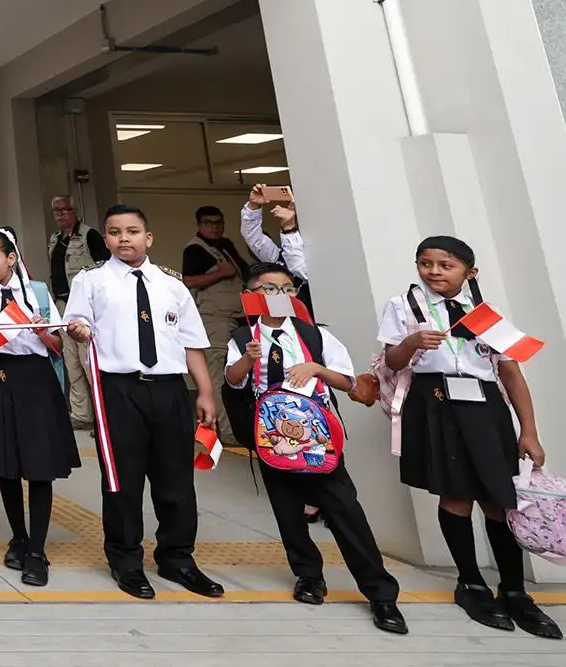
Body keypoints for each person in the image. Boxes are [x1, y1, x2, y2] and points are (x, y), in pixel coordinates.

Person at [377, 236, 558, 638]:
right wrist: (411, 343)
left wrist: (529, 430)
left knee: (499, 497)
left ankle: (514, 590)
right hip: (436, 402)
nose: (434, 272)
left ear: (469, 272)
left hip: (485, 405)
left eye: (446, 265)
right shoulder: (404, 305)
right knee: (456, 493)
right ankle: (471, 583)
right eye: (425, 263)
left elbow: (510, 371)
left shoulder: (485, 313)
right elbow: (392, 360)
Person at [223, 262, 405, 633]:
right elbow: (232, 379)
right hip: (272, 436)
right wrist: (248, 358)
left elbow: (349, 382)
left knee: (344, 508)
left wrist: (316, 369)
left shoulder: (315, 334)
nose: (280, 295)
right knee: (287, 510)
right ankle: (308, 575)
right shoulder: (243, 338)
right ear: (250, 295)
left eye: (287, 288)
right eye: (269, 288)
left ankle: (380, 592)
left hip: (317, 436)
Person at [64, 204, 223, 601]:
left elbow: (192, 343)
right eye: (114, 232)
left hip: (169, 390)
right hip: (119, 391)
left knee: (176, 479)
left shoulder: (171, 284)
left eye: (132, 231)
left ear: (148, 238)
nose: (124, 238)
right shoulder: (91, 281)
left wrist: (205, 392)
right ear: (105, 239)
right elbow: (76, 321)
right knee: (123, 479)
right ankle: (126, 560)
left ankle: (177, 558)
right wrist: (80, 329)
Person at [0, 229, 77, 587]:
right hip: (0, 379)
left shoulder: (39, 293)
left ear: (11, 258)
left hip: (38, 380)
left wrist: (45, 332)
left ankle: (37, 551)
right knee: (7, 466)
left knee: (40, 468)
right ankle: (19, 537)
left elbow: (58, 344)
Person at [182, 206, 252, 444]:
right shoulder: (195, 249)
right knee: (217, 376)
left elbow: (244, 271)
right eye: (208, 223)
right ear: (199, 225)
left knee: (236, 373)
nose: (214, 227)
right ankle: (228, 433)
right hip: (215, 320)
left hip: (237, 318)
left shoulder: (225, 245)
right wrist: (221, 273)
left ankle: (238, 428)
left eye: (218, 222)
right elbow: (188, 280)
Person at [48, 195, 109, 429]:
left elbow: (104, 267)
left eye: (65, 210)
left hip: (85, 307)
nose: (61, 214)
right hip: (63, 305)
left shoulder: (89, 235)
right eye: (57, 211)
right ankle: (82, 415)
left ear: (75, 211)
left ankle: (103, 416)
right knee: (71, 362)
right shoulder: (55, 239)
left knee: (88, 361)